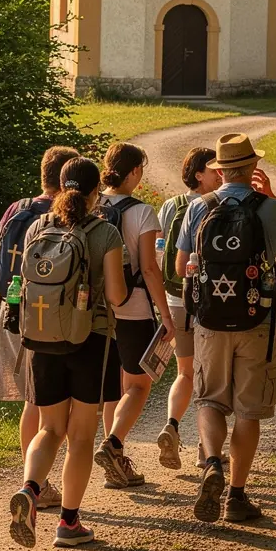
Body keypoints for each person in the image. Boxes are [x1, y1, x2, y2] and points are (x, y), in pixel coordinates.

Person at [175, 133, 276, 523]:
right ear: (253, 167)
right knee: (248, 410)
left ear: (220, 170)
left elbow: (180, 268)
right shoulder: (272, 209)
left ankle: (213, 462)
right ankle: (236, 496)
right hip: (257, 319)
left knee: (210, 400)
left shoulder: (198, 207)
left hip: (210, 320)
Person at [8, 156, 128, 548]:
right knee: (80, 434)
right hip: (90, 338)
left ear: (60, 188)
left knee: (49, 428)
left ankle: (29, 489)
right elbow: (116, 296)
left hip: (42, 339)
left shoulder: (38, 227)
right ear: (96, 192)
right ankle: (69, 523)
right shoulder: (105, 232)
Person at [0, 145, 79, 511]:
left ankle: (33, 482)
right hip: (50, 317)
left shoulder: (16, 209)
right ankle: (38, 484)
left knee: (31, 399)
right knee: (46, 404)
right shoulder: (64, 214)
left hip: (12, 309)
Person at [92, 143, 175, 490]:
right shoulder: (142, 212)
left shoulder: (91, 204)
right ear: (136, 172)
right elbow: (150, 269)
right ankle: (113, 445)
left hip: (95, 308)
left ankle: (116, 461)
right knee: (138, 385)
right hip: (133, 307)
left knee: (115, 388)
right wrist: (166, 316)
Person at [155, 147, 221, 470]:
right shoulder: (217, 204)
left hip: (176, 298)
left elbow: (160, 250)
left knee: (184, 372)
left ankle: (172, 424)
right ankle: (205, 449)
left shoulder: (171, 205)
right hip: (208, 300)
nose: (219, 174)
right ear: (198, 174)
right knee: (209, 376)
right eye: (213, 169)